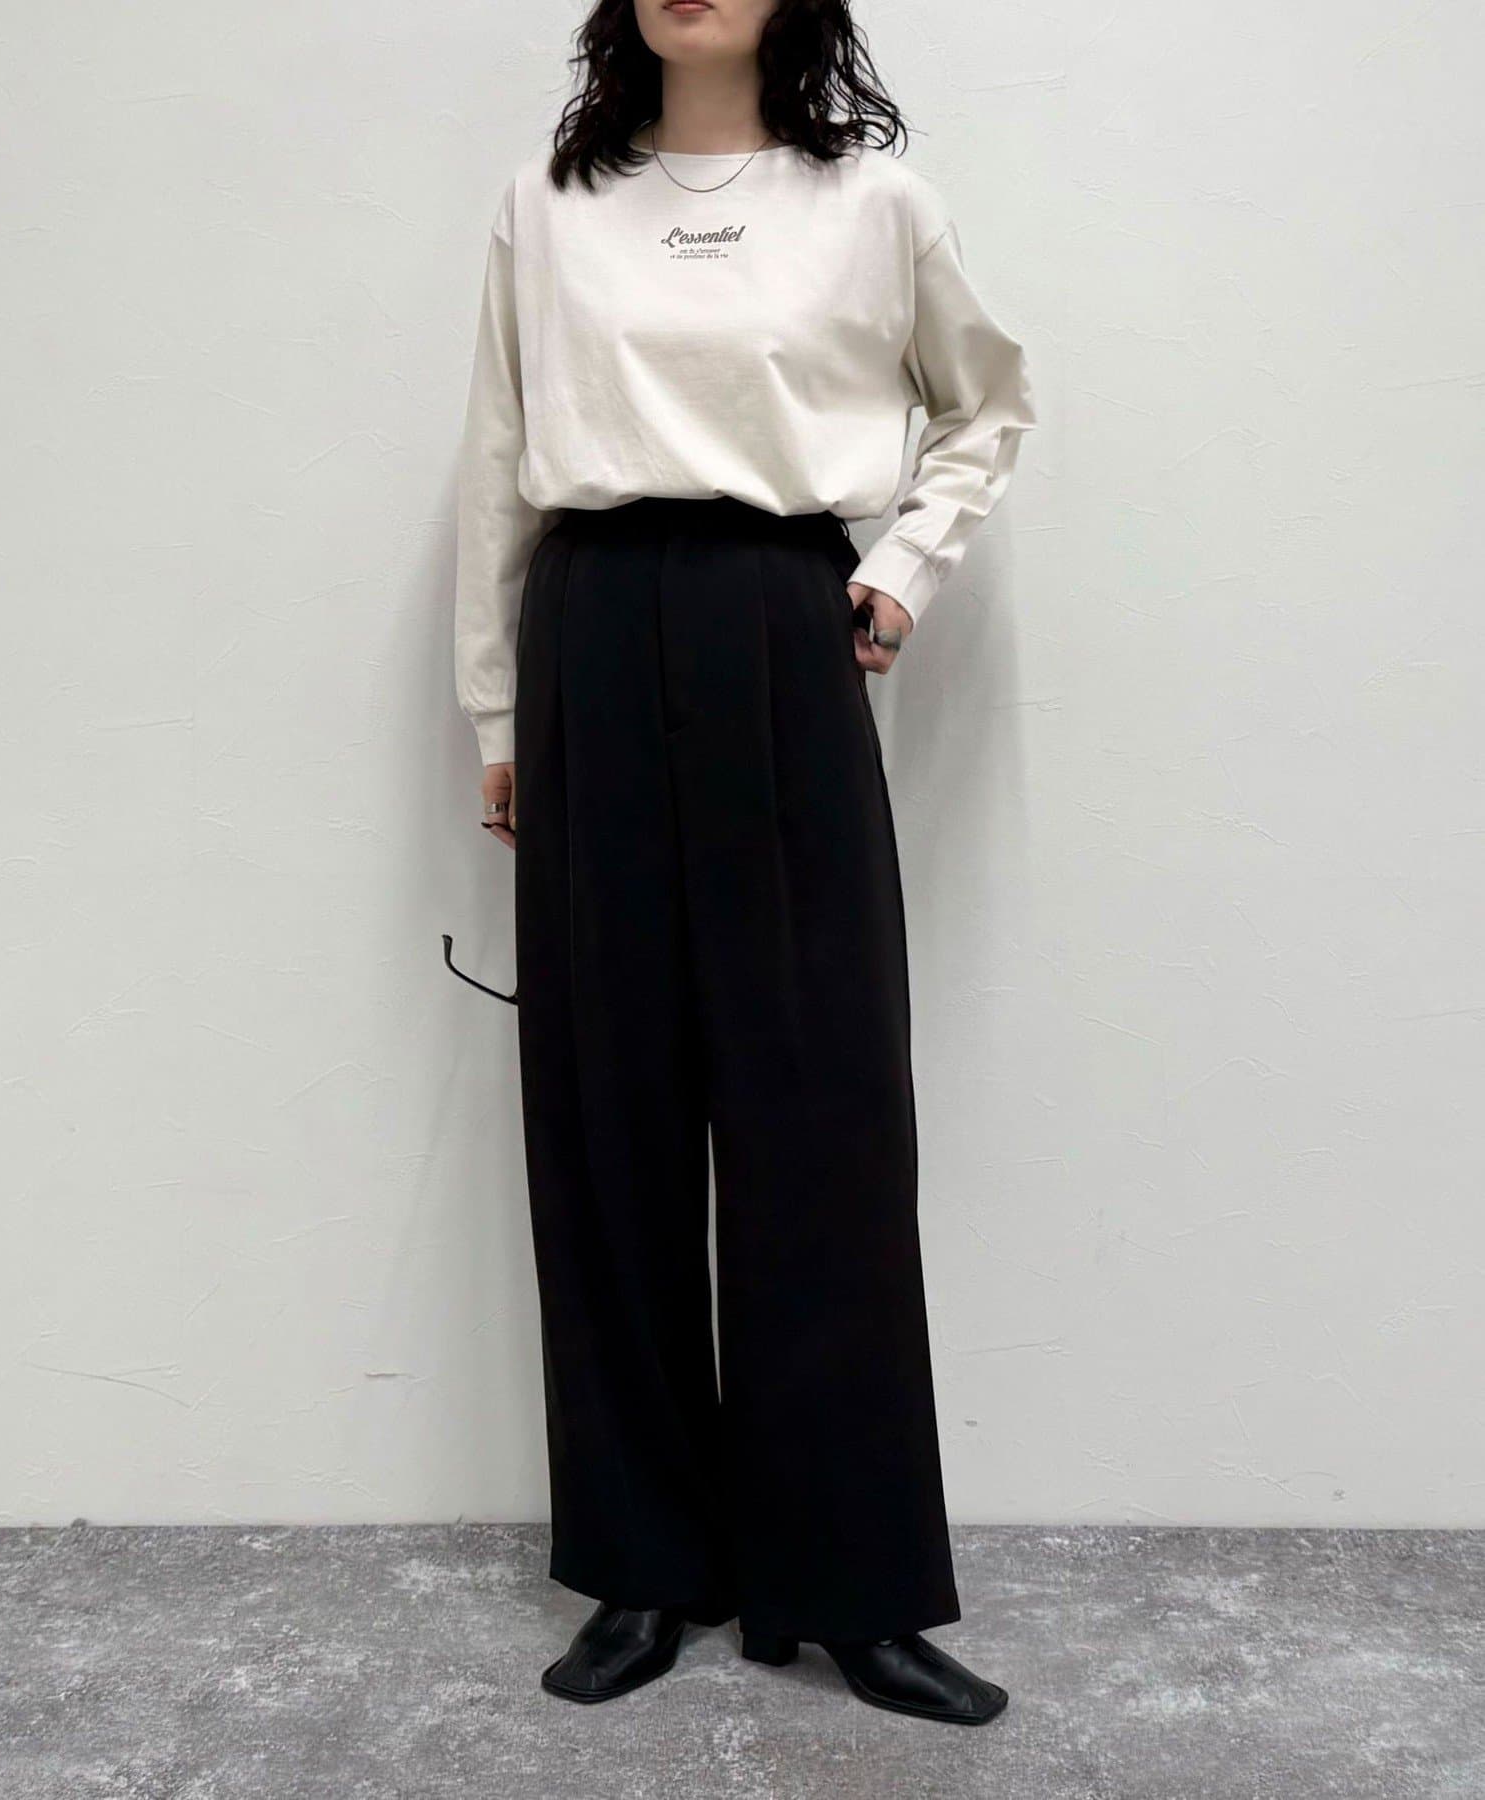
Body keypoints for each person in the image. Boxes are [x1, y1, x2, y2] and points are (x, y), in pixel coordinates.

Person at [453, 0, 1035, 1728]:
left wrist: (904, 567)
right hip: (589, 628)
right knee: (607, 1105)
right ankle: (646, 1565)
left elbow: (988, 405)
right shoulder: (550, 200)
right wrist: (496, 709)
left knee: (821, 1109)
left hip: (783, 619)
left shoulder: (875, 203)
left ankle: (849, 1582)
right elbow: (496, 457)